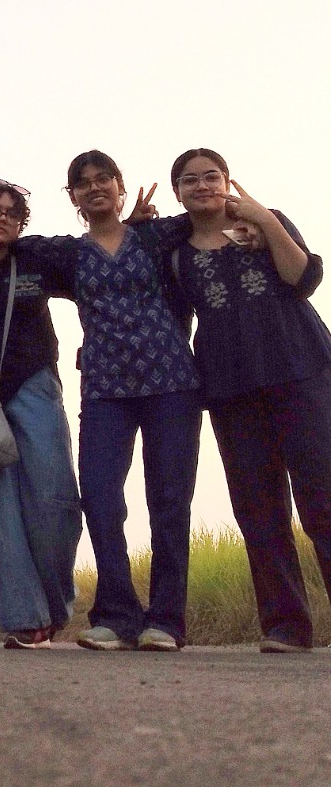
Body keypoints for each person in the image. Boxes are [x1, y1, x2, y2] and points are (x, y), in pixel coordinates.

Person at [0, 151, 201, 652]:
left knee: (167, 502)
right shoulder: (63, 253)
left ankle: (166, 620)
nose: (94, 188)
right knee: (101, 502)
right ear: (73, 197)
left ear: (119, 185)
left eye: (103, 178)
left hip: (170, 382)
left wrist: (257, 221)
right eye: (82, 183)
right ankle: (114, 615)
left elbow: (208, 220)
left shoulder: (156, 237)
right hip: (104, 390)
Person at [159, 150, 331, 652]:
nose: (202, 185)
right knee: (258, 506)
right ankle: (286, 626)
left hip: (300, 370)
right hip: (231, 386)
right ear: (178, 193)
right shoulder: (175, 251)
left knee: (323, 496)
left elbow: (304, 279)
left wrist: (264, 219)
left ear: (228, 180)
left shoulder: (265, 222)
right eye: (189, 180)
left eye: (211, 176)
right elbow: (173, 317)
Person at [0, 179, 81, 649]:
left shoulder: (35, 259)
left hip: (35, 387)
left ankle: (56, 603)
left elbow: (91, 259)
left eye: (12, 212)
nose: (2, 217)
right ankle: (25, 620)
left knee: (57, 502)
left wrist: (134, 227)